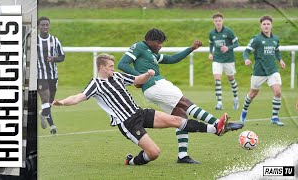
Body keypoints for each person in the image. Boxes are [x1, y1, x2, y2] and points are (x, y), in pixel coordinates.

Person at [52, 53, 239, 166]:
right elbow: (77, 97)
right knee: (154, 153)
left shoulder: (116, 76)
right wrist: (61, 102)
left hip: (139, 112)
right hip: (128, 123)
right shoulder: (95, 84)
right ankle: (132, 161)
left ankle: (216, 129)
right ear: (101, 68)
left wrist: (147, 74)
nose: (112, 68)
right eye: (109, 66)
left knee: (175, 120)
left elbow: (136, 80)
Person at [118, 28, 243, 164]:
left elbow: (172, 59)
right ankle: (217, 124)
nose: (161, 46)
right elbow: (122, 64)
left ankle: (183, 155)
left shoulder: (152, 54)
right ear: (150, 41)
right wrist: (139, 78)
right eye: (158, 43)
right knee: (185, 102)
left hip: (153, 88)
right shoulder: (139, 46)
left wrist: (191, 48)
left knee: (181, 116)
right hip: (155, 84)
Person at [240, 15, 286, 126]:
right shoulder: (256, 39)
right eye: (264, 24)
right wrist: (246, 59)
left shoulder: (275, 39)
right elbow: (246, 51)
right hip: (259, 72)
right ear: (261, 26)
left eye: (268, 24)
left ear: (271, 25)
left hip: (272, 70)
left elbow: (277, 51)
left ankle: (274, 118)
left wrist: (280, 60)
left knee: (278, 92)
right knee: (252, 94)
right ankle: (244, 111)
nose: (266, 26)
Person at [37, 16, 65, 134]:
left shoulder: (54, 40)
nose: (45, 27)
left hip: (53, 75)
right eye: (43, 25)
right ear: (38, 26)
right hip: (39, 75)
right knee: (45, 97)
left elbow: (62, 57)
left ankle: (43, 113)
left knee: (50, 100)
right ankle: (52, 126)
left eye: (47, 25)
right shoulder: (34, 41)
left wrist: (54, 58)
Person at [209, 13, 239, 110]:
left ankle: (235, 98)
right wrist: (210, 53)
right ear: (213, 21)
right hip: (217, 59)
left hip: (228, 59)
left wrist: (228, 47)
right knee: (217, 79)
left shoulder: (228, 31)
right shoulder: (212, 33)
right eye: (216, 21)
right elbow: (211, 44)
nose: (218, 22)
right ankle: (219, 103)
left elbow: (237, 43)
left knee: (231, 79)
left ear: (222, 21)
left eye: (219, 20)